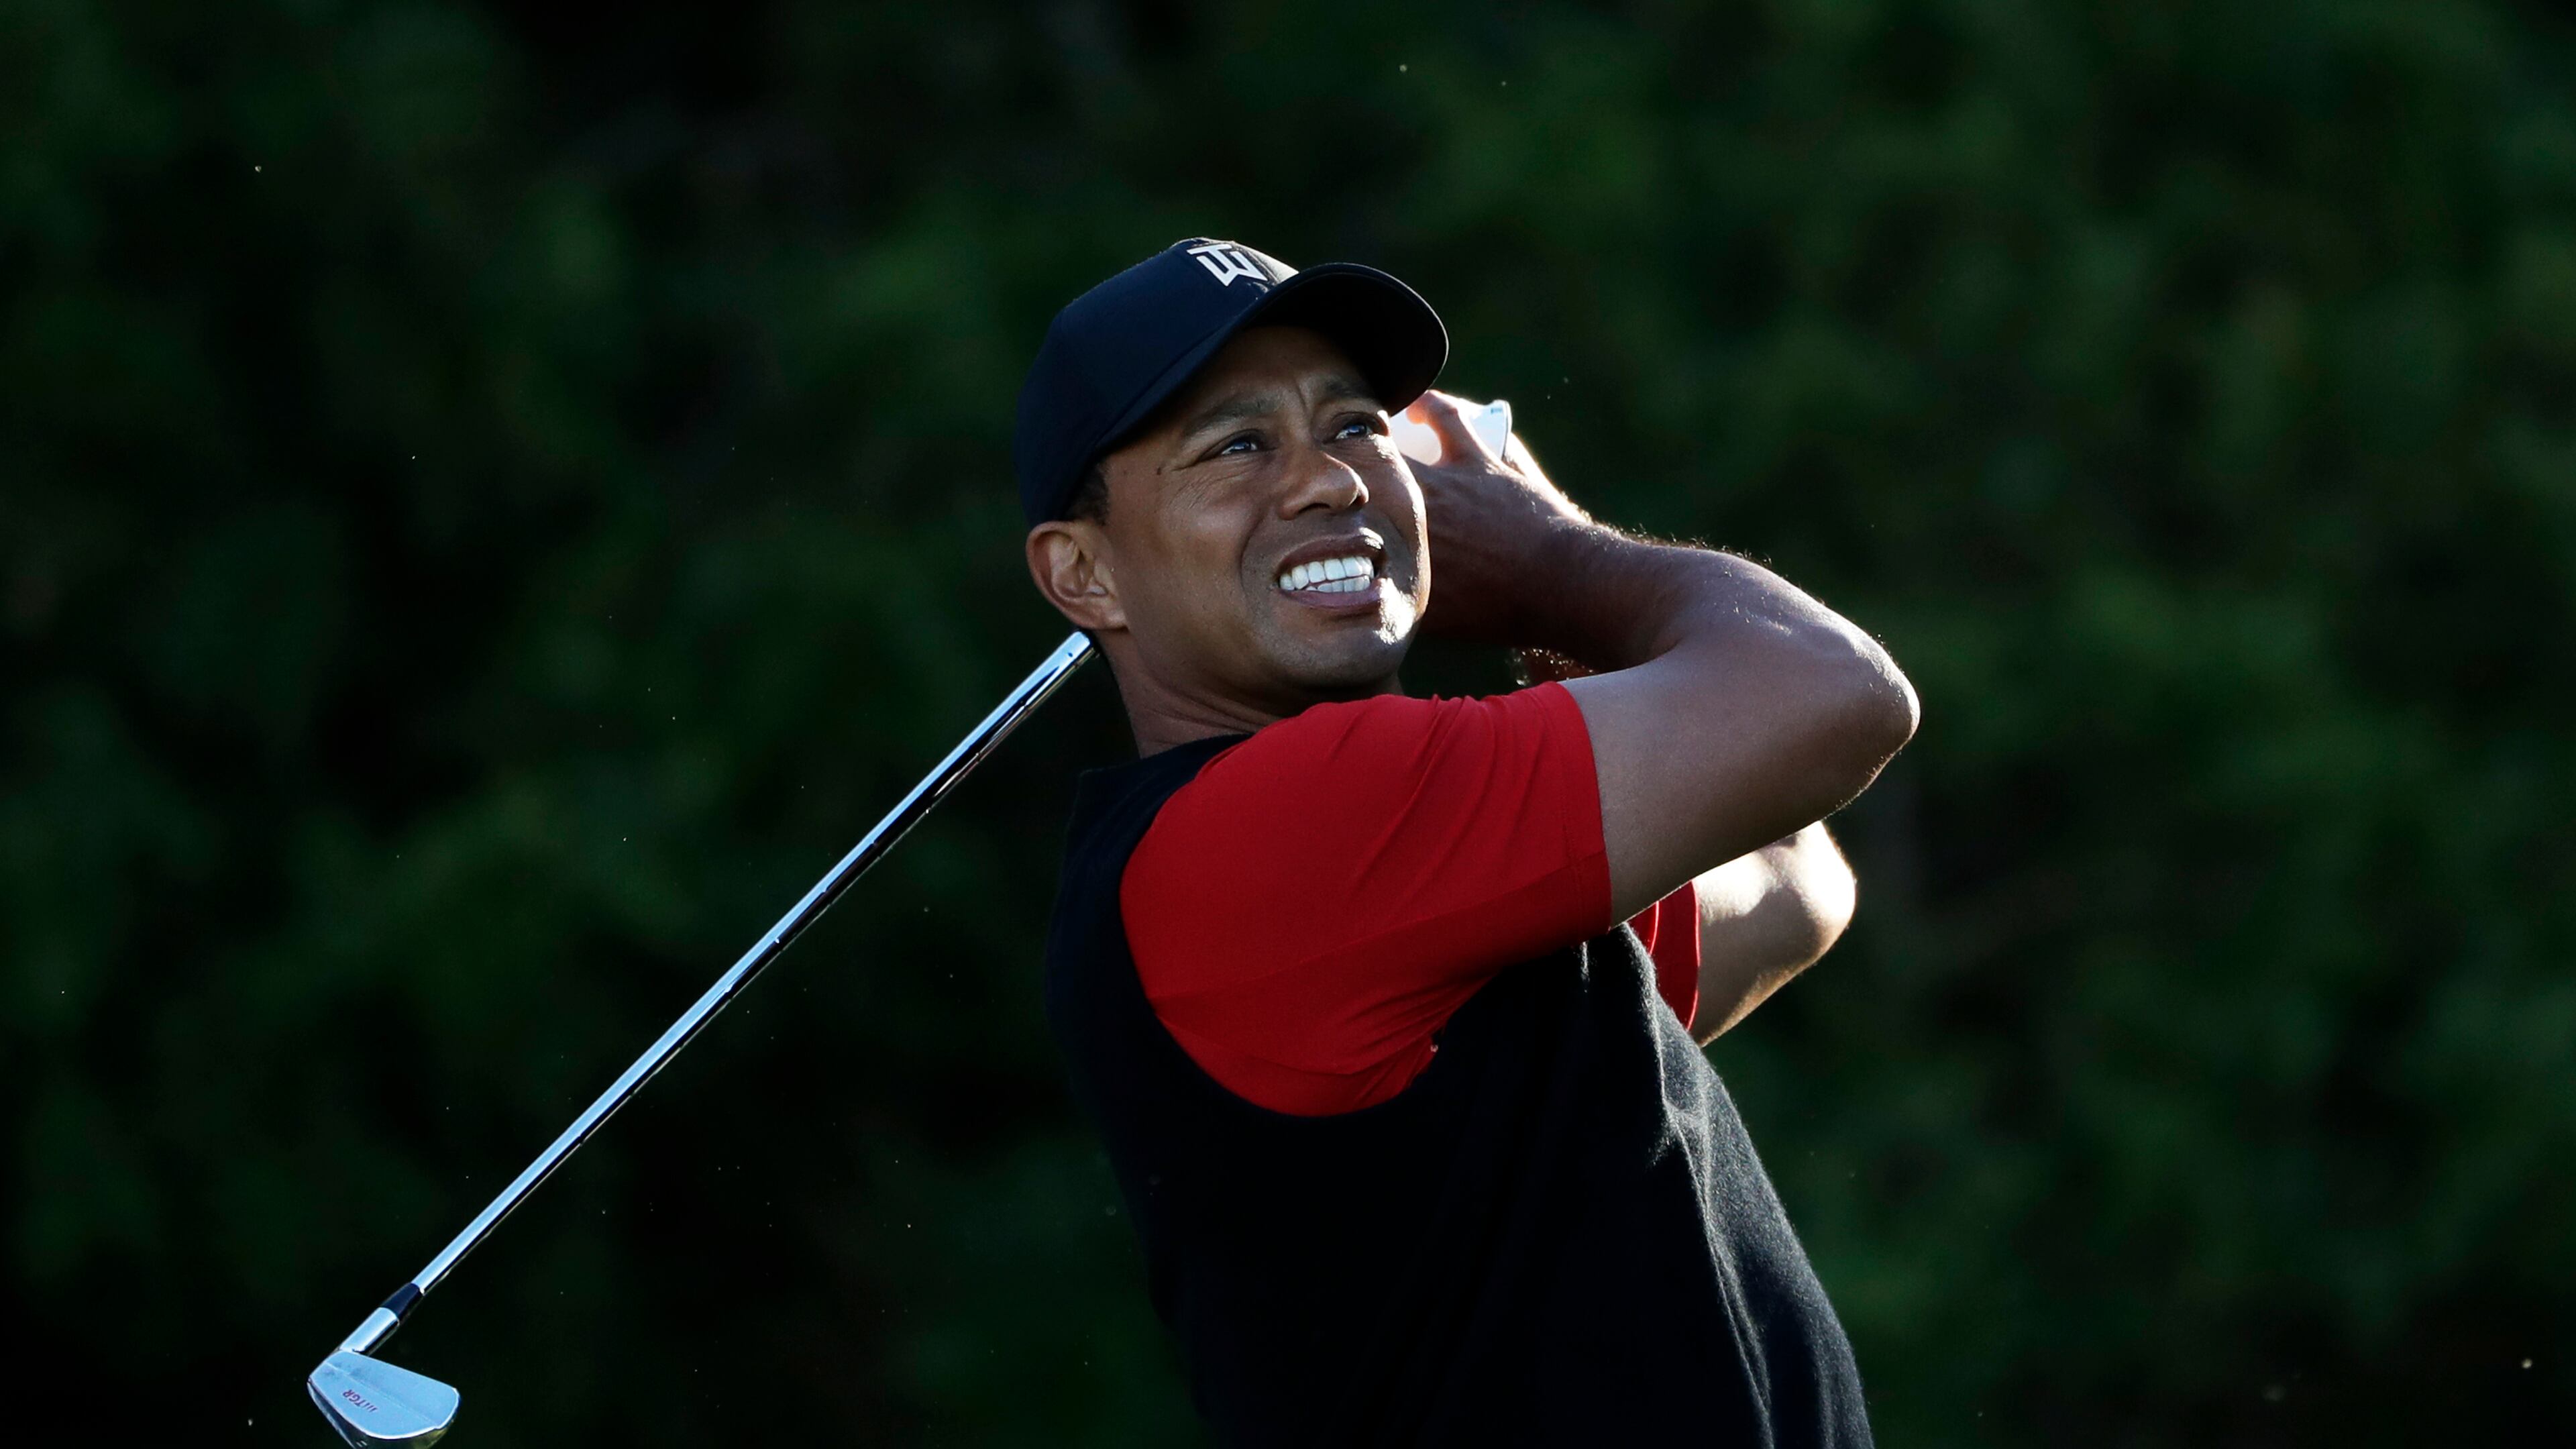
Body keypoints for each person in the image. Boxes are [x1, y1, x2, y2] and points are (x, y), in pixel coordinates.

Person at [1016, 237, 1917, 1447]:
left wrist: (1561, 622)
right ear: (1085, 574)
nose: (1328, 481)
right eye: (1237, 446)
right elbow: (1833, 696)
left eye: (1352, 427)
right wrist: (1554, 558)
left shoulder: (1417, 864)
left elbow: (1796, 883)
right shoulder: (1270, 836)